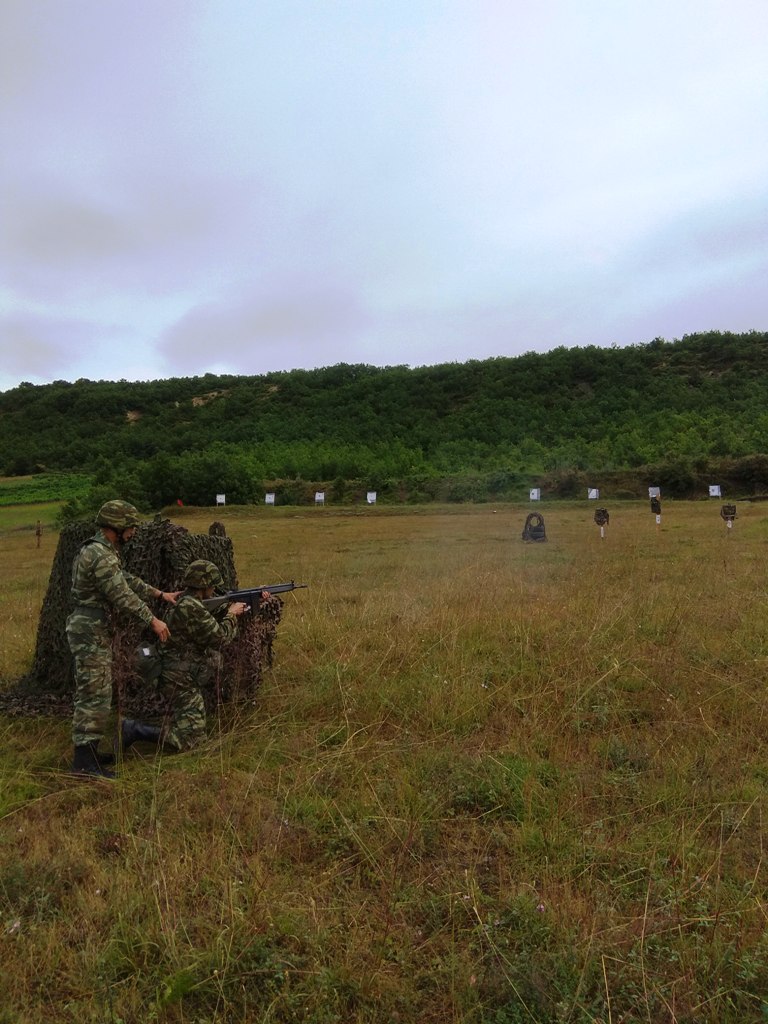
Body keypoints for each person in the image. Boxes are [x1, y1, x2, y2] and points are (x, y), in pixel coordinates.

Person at [66, 499, 179, 778]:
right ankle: (84, 764)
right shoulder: (100, 555)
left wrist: (159, 594)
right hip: (90, 631)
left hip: (93, 629)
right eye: (130, 528)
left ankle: (89, 754)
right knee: (94, 696)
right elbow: (121, 595)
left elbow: (125, 580)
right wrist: (152, 620)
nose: (133, 533)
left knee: (97, 693)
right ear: (116, 527)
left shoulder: (101, 553)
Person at [120, 560, 249, 755]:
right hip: (179, 677)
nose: (214, 589)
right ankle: (135, 730)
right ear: (204, 585)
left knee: (189, 723)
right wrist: (232, 614)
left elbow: (203, 619)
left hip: (176, 672)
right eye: (212, 585)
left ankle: (166, 725)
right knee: (193, 741)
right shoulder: (191, 606)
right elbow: (221, 638)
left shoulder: (187, 601)